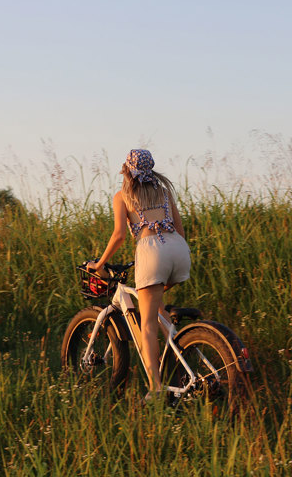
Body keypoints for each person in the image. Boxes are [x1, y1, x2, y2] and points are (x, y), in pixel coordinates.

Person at [87, 149, 191, 398]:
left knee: (146, 325)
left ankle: (156, 389)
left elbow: (120, 235)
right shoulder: (164, 193)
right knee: (158, 310)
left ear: (127, 171)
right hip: (179, 250)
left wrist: (100, 264)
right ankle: (182, 359)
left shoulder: (123, 196)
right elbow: (180, 231)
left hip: (152, 253)